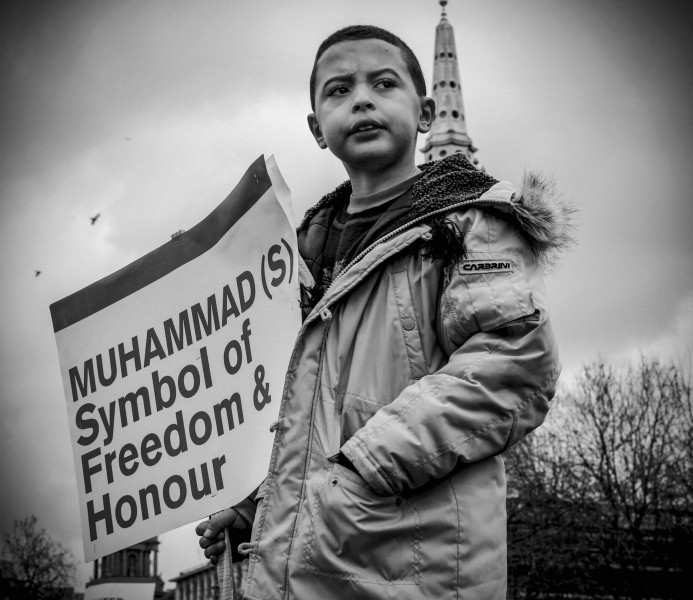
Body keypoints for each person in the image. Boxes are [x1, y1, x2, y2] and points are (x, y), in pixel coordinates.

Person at [196, 24, 573, 599]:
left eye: (383, 83)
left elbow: (514, 364)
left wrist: (363, 465)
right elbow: (303, 415)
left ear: (425, 115)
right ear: (316, 128)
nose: (362, 99)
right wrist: (257, 502)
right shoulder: (297, 257)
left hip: (420, 574)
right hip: (312, 568)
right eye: (339, 90)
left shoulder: (471, 224)